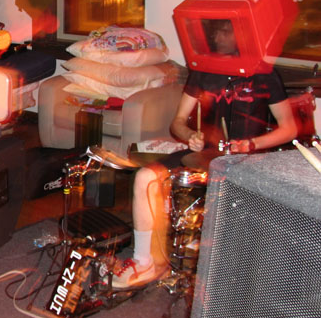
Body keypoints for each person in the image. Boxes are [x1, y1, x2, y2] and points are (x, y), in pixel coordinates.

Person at [112, 19, 298, 288]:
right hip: (206, 154)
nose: (218, 38)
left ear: (242, 36)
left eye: (225, 32)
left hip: (248, 159)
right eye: (216, 32)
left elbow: (289, 128)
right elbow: (177, 123)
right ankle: (144, 262)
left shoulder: (265, 74)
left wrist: (252, 144)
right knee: (145, 177)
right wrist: (190, 135)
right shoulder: (204, 71)